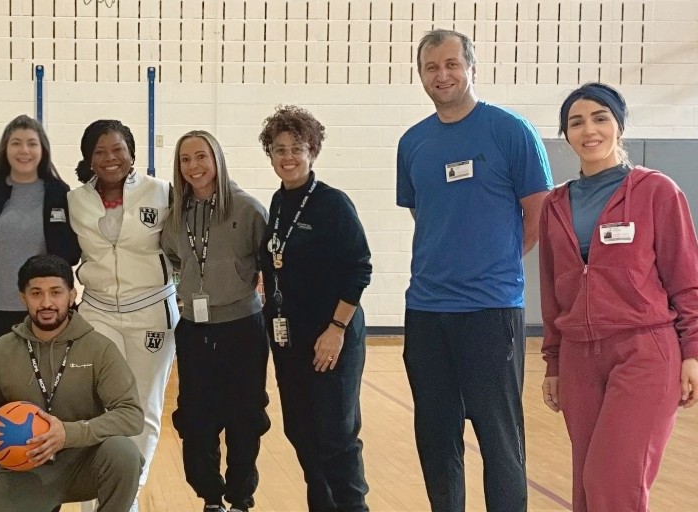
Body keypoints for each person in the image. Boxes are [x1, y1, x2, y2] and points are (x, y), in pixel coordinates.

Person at [395, 29, 553, 511]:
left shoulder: (510, 130)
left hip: (491, 311)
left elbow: (540, 214)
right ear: (420, 75)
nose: (441, 75)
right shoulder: (413, 142)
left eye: (450, 64)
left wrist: (495, 262)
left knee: (499, 438)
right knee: (436, 436)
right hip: (425, 311)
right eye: (431, 67)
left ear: (471, 68)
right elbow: (425, 214)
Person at [538, 82, 698, 512]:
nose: (588, 129)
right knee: (586, 490)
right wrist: (553, 362)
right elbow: (553, 297)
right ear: (566, 134)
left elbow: (686, 279)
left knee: (612, 481)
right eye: (576, 122)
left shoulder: (656, 191)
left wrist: (692, 353)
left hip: (644, 353)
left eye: (600, 117)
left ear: (619, 126)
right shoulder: (555, 205)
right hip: (578, 359)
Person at [257, 106, 373, 512]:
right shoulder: (277, 202)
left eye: (297, 148)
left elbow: (359, 268)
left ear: (313, 151)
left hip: (331, 339)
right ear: (269, 153)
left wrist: (336, 329)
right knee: (302, 433)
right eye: (279, 149)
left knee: (335, 438)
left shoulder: (332, 204)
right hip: (290, 342)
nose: (287, 157)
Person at [0, 255, 144, 512]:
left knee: (124, 453)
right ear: (22, 298)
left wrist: (68, 434)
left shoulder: (99, 348)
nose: (46, 303)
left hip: (86, 464)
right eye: (36, 293)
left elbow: (131, 415)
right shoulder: (2, 350)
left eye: (56, 292)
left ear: (71, 296)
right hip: (26, 469)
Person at [67, 119, 178, 503]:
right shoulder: (75, 200)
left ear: (132, 154)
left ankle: (126, 495)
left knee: (144, 406)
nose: (110, 158)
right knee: (95, 407)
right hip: (97, 312)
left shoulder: (162, 192)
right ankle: (91, 496)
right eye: (100, 151)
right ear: (89, 158)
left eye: (118, 149)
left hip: (152, 313)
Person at [160, 131, 270, 512]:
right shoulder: (174, 217)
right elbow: (175, 259)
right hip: (194, 330)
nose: (194, 167)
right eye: (185, 160)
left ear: (217, 159)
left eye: (201, 157)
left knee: (245, 416)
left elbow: (266, 262)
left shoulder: (248, 209)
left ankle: (240, 497)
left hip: (242, 328)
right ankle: (210, 496)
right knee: (196, 419)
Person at [0, 115, 80, 359]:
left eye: (32, 143)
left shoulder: (58, 193)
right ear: (5, 149)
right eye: (16, 143)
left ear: (42, 149)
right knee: (1, 392)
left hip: (46, 312)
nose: (24, 150)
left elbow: (71, 254)